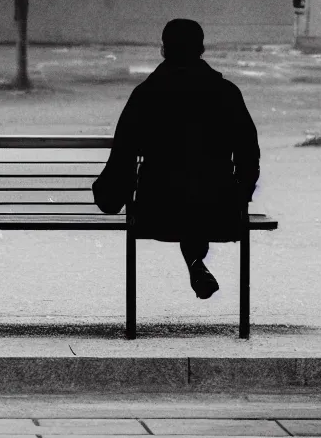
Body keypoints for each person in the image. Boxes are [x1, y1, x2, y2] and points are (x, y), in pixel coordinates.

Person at [92, 19, 260, 299]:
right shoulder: (226, 93)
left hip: (156, 211)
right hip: (219, 211)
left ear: (164, 50)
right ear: (201, 49)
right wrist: (240, 195)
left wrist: (108, 193)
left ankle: (195, 262)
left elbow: (123, 154)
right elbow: (248, 152)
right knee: (197, 199)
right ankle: (195, 261)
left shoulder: (146, 95)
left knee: (181, 197)